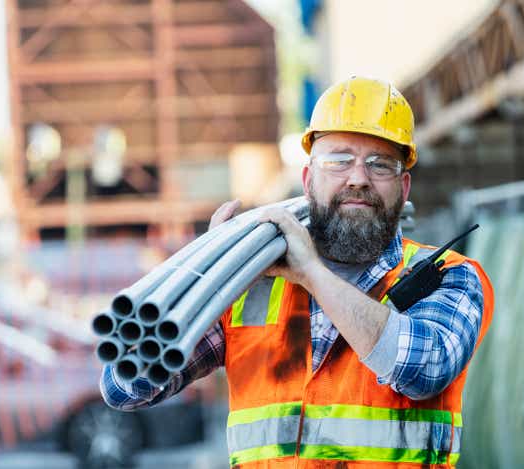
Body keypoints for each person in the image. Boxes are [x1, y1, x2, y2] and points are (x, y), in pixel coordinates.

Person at [100, 76, 494, 467]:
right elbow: (126, 389)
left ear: (404, 187)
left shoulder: (450, 277)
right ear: (308, 180)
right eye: (338, 160)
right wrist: (208, 276)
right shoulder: (252, 284)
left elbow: (423, 369)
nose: (358, 177)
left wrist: (311, 273)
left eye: (380, 164)